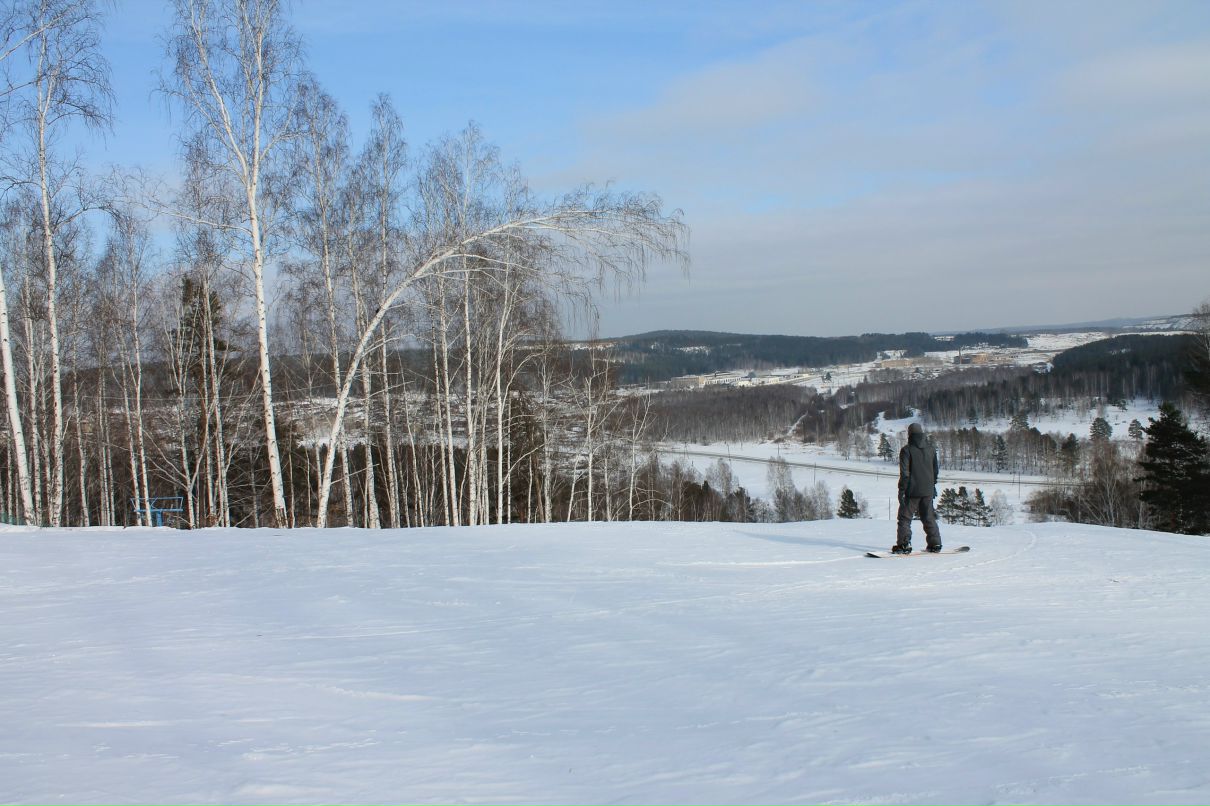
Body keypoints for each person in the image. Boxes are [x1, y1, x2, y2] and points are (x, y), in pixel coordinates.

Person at [893, 422, 942, 554]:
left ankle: (904, 544)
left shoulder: (906, 450)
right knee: (928, 516)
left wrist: (902, 490)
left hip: (912, 491)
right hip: (928, 490)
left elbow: (905, 473)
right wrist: (932, 486)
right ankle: (935, 543)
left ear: (909, 434)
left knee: (905, 517)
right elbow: (935, 471)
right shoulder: (931, 449)